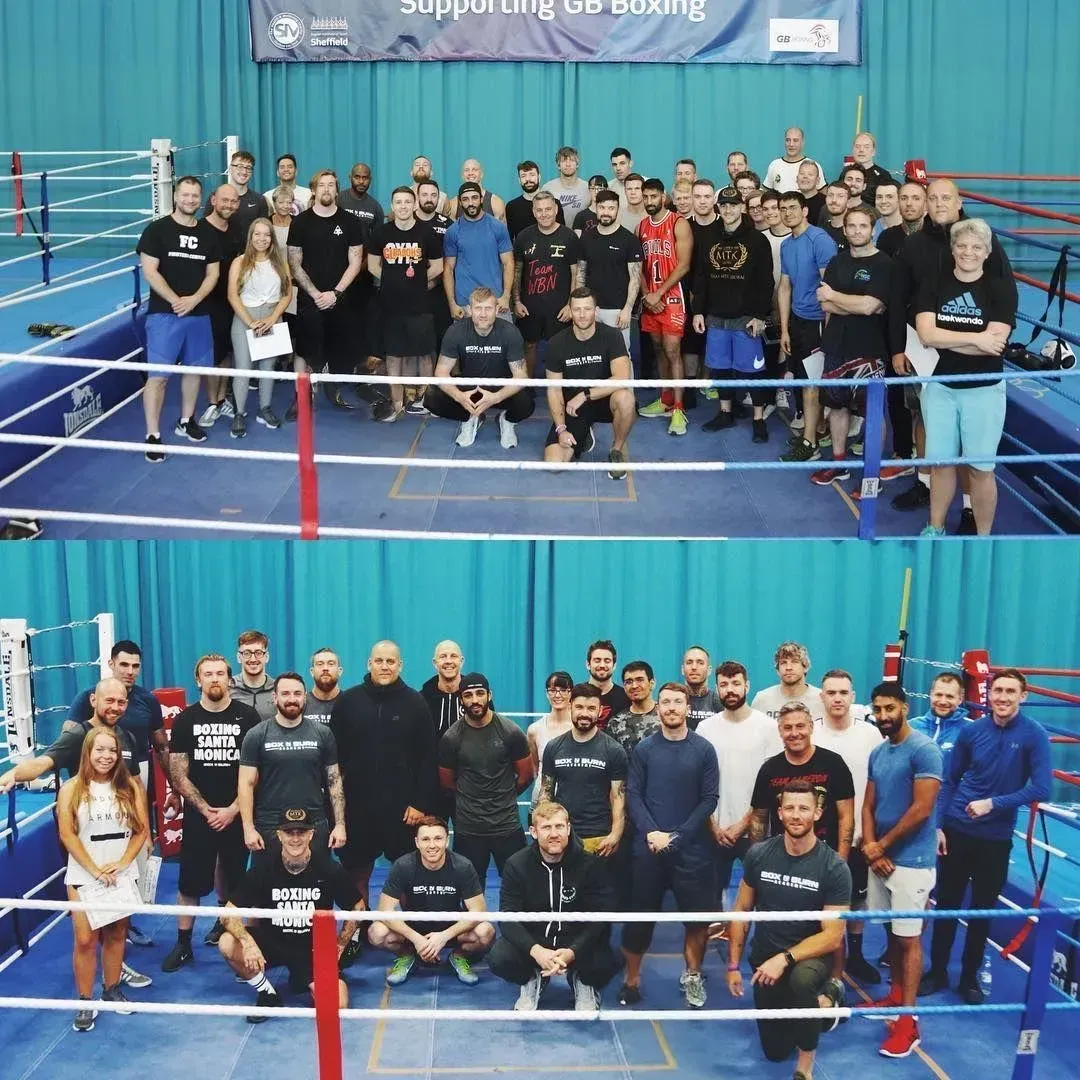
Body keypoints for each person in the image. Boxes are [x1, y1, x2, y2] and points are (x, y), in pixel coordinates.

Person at [921, 668, 1051, 1004]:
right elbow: (950, 780)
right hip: (957, 830)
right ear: (988, 694)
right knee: (946, 905)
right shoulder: (973, 731)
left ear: (1023, 696)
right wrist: (938, 826)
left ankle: (969, 978)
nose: (1003, 697)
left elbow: (1042, 787)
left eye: (1010, 691)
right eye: (997, 690)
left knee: (982, 910)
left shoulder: (1034, 735)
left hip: (995, 838)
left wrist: (995, 803)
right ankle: (936, 972)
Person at [896, 179, 1016, 532]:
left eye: (975, 247)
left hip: (983, 387)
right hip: (942, 386)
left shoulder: (999, 288)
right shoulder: (936, 283)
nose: (967, 252)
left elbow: (997, 342)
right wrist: (977, 338)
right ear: (953, 249)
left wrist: (962, 340)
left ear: (986, 251)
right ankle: (936, 526)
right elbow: (928, 336)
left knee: (981, 467)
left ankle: (982, 536)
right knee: (941, 463)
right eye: (961, 245)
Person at [726, 782, 850, 1078]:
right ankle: (822, 1007)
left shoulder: (833, 867)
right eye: (790, 808)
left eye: (804, 808)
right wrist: (733, 964)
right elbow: (741, 910)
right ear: (780, 813)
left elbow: (833, 936)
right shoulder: (759, 854)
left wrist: (784, 958)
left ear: (817, 813)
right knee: (775, 1051)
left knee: (802, 981)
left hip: (811, 958)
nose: (796, 815)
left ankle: (805, 1068)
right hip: (765, 958)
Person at [619, 682, 718, 1009]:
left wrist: (677, 836)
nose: (672, 707)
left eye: (678, 702)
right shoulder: (644, 749)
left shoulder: (704, 750)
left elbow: (708, 800)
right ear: (658, 708)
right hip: (648, 850)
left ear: (688, 707)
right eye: (666, 702)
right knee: (638, 920)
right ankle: (631, 980)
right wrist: (652, 833)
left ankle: (692, 975)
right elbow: (632, 795)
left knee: (696, 921)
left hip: (691, 851)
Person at [161, 654, 261, 971]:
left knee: (235, 881)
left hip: (237, 813)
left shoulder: (248, 717)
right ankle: (183, 943)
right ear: (198, 680)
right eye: (208, 674)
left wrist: (233, 810)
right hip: (199, 815)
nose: (214, 678)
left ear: (230, 679)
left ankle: (230, 929)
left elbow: (257, 771)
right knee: (189, 883)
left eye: (220, 673)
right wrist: (206, 810)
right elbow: (178, 774)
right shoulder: (186, 720)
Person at [218, 807, 364, 1019]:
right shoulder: (264, 868)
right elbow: (228, 912)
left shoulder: (329, 869)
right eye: (289, 832)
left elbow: (357, 907)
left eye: (301, 832)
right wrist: (248, 942)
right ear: (279, 835)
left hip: (312, 949)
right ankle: (267, 993)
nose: (295, 839)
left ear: (311, 834)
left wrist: (341, 943)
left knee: (337, 1006)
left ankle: (303, 977)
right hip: (272, 942)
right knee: (227, 943)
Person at [861, 682, 943, 1058]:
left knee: (909, 940)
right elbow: (868, 804)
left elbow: (922, 809)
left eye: (889, 708)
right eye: (878, 709)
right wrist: (869, 846)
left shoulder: (924, 749)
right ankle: (895, 996)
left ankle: (909, 1023)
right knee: (893, 935)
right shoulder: (878, 751)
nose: (883, 716)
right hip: (881, 860)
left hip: (912, 862)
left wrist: (882, 845)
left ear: (905, 707)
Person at [329, 640, 437, 903]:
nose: (385, 666)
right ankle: (357, 932)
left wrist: (419, 804)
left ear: (400, 665)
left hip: (402, 812)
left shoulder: (416, 703)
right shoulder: (347, 702)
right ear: (369, 664)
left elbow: (428, 758)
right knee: (356, 876)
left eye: (391, 661)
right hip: (357, 808)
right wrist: (337, 810)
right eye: (379, 661)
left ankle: (412, 935)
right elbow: (333, 760)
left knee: (407, 876)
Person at [58, 725, 149, 1031]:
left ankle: (112, 990)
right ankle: (86, 1000)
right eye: (100, 749)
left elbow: (141, 832)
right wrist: (95, 870)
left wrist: (122, 863)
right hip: (85, 872)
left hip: (120, 873)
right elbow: (67, 835)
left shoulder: (129, 787)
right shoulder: (71, 788)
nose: (107, 756)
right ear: (88, 752)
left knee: (116, 933)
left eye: (112, 750)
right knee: (85, 939)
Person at [491, 800, 622, 1011]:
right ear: (533, 832)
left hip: (575, 942)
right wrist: (537, 951)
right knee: (500, 958)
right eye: (546, 827)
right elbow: (508, 918)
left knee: (609, 960)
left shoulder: (591, 865)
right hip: (536, 940)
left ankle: (583, 981)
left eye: (559, 826)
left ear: (569, 829)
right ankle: (532, 978)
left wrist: (573, 951)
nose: (554, 834)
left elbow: (600, 917)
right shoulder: (516, 865)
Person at [810, 205, 907, 488]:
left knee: (871, 413)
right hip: (836, 345)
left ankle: (871, 475)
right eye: (851, 226)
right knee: (837, 408)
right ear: (845, 229)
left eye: (863, 226)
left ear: (872, 229)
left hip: (870, 349)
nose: (856, 231)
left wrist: (839, 298)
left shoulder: (885, 265)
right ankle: (839, 463)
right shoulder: (838, 261)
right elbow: (824, 302)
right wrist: (852, 303)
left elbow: (870, 306)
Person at [136, 175, 221, 461]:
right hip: (164, 314)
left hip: (197, 313)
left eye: (195, 196)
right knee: (158, 376)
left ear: (201, 198)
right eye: (185, 195)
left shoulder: (208, 233)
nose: (190, 200)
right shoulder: (157, 230)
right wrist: (175, 300)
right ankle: (152, 434)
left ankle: (187, 420)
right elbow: (149, 271)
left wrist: (194, 300)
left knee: (194, 370)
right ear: (175, 196)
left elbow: (213, 274)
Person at [813, 669, 885, 986]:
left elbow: (879, 784)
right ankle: (818, 955)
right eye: (831, 692)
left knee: (857, 898)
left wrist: (871, 832)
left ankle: (854, 955)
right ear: (822, 697)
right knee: (816, 898)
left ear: (853, 697)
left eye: (844, 692)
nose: (838, 698)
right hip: (817, 837)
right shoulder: (811, 733)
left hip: (858, 835)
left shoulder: (870, 736)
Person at [368, 816, 494, 986]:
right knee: (377, 932)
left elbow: (478, 912)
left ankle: (458, 957)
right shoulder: (403, 866)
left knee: (485, 931)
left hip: (452, 928)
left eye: (438, 838)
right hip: (414, 928)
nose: (432, 845)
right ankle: (407, 955)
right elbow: (384, 911)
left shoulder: (462, 866)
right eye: (425, 839)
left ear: (447, 840)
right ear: (416, 842)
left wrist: (444, 936)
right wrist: (416, 939)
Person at [691, 185, 774, 440]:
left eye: (733, 205)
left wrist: (760, 315)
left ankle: (758, 419)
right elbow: (701, 278)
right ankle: (725, 412)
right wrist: (698, 312)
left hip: (746, 317)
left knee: (753, 371)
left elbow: (766, 281)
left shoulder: (758, 240)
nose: (728, 210)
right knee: (720, 369)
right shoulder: (708, 238)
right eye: (723, 206)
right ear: (719, 208)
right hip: (716, 316)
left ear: (741, 208)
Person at [695, 660, 780, 905]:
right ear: (717, 688)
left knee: (760, 895)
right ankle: (716, 940)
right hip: (714, 830)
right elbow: (700, 783)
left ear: (747, 685)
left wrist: (744, 824)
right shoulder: (705, 728)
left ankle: (754, 943)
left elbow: (770, 785)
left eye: (736, 683)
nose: (730, 689)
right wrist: (713, 826)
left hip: (755, 830)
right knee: (711, 897)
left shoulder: (767, 727)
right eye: (724, 684)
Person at [438, 672, 533, 882]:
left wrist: (503, 796)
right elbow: (447, 782)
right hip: (468, 829)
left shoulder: (510, 732)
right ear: (461, 699)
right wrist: (471, 799)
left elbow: (526, 775)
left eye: (480, 693)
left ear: (489, 695)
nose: (475, 700)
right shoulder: (451, 738)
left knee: (519, 883)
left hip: (507, 825)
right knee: (469, 888)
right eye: (468, 695)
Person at [238, 672, 344, 857]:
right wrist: (248, 828)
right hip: (269, 825)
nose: (292, 699)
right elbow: (245, 784)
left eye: (297, 694)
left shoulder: (323, 734)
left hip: (314, 823)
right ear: (275, 697)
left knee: (316, 884)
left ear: (305, 697)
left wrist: (340, 825)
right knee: (267, 884)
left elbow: (334, 782)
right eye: (285, 693)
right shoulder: (256, 735)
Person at [286, 169, 365, 411]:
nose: (327, 189)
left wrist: (335, 293)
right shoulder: (300, 222)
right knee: (304, 350)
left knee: (335, 347)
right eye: (322, 185)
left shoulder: (350, 222)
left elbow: (356, 261)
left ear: (336, 190)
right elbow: (294, 262)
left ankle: (332, 391)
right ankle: (301, 398)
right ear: (313, 189)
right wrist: (315, 294)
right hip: (310, 299)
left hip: (340, 299)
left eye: (331, 185)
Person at [542, 288, 636, 479]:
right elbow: (554, 390)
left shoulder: (612, 336)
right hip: (573, 407)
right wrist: (561, 429)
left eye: (587, 309)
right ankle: (583, 433)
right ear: (570, 311)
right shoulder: (556, 344)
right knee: (554, 464)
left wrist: (585, 394)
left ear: (596, 311)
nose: (582, 315)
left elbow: (622, 378)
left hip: (604, 399)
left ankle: (616, 451)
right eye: (577, 309)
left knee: (626, 398)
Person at [425, 286, 534, 449]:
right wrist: (459, 397)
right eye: (478, 308)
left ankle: (507, 420)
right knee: (432, 397)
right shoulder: (455, 331)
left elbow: (521, 376)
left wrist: (495, 397)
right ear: (469, 310)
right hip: (470, 388)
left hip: (500, 388)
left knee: (527, 402)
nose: (483, 314)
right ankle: (469, 417)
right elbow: (441, 372)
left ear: (497, 310)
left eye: (488, 308)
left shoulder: (510, 332)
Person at [368, 186, 443, 419]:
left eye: (407, 202)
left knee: (424, 353)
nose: (402, 206)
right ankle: (397, 401)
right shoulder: (381, 233)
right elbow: (372, 265)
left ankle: (428, 400)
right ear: (392, 206)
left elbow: (438, 266)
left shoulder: (427, 233)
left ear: (414, 205)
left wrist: (418, 281)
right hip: (390, 305)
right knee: (394, 354)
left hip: (419, 304)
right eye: (398, 202)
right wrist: (394, 280)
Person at [776, 191, 838, 464]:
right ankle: (812, 433)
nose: (787, 213)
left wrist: (830, 332)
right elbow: (785, 287)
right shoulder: (787, 245)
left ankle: (810, 443)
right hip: (799, 323)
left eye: (792, 208)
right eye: (783, 209)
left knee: (813, 385)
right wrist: (785, 329)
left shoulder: (820, 241)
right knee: (805, 383)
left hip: (818, 323)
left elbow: (829, 290)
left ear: (805, 211)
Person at [750, 701, 855, 861]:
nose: (794, 733)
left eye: (800, 726)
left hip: (826, 858)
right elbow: (759, 820)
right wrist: (755, 861)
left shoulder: (834, 764)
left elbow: (846, 817)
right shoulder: (769, 770)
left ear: (811, 727)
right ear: (780, 731)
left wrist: (841, 862)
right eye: (787, 727)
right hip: (781, 858)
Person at [1, 677, 142, 791]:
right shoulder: (79, 734)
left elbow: (135, 783)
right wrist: (13, 775)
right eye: (109, 701)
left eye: (121, 702)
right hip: (88, 820)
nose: (115, 707)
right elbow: (43, 762)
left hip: (122, 821)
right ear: (93, 700)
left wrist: (144, 825)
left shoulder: (128, 737)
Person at [539, 682, 627, 854]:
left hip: (600, 837)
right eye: (579, 707)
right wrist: (547, 828)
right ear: (570, 706)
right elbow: (546, 793)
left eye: (591, 708)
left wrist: (615, 834)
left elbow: (618, 798)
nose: (584, 714)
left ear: (600, 711)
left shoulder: (614, 750)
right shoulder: (554, 747)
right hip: (564, 834)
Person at [66, 640, 167, 789]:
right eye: (124, 665)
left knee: (138, 810)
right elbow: (67, 743)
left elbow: (162, 747)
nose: (130, 671)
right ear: (111, 664)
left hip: (138, 773)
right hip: (95, 775)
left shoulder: (148, 700)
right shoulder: (88, 698)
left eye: (135, 666)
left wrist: (174, 789)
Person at [636, 178, 693, 435]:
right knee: (658, 348)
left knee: (673, 349)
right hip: (651, 300)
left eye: (653, 197)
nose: (649, 201)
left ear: (663, 197)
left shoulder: (678, 223)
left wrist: (659, 293)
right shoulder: (641, 227)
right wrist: (648, 294)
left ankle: (679, 409)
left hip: (672, 299)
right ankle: (665, 398)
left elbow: (684, 265)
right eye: (645, 197)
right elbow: (637, 266)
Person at [227, 217, 291, 435]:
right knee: (243, 368)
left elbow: (287, 293)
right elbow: (232, 296)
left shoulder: (280, 261)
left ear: (272, 238)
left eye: (266, 234)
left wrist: (272, 319)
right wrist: (251, 322)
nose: (262, 239)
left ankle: (265, 408)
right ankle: (239, 413)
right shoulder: (239, 262)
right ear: (251, 236)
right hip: (246, 318)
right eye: (258, 234)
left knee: (267, 368)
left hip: (271, 317)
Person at [513, 191, 582, 372]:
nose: (544, 214)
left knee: (561, 349)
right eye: (539, 210)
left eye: (548, 209)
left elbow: (576, 273)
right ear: (534, 212)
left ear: (556, 209)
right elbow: (517, 272)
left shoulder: (569, 237)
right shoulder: (523, 237)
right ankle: (526, 390)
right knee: (528, 346)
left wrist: (571, 305)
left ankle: (562, 391)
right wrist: (517, 302)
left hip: (560, 309)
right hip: (529, 307)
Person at [199, 184, 244, 428]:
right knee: (212, 354)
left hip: (232, 301)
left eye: (233, 201)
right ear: (213, 200)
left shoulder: (236, 230)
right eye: (224, 200)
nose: (228, 205)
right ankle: (212, 403)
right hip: (206, 304)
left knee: (227, 352)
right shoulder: (199, 229)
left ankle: (221, 398)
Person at [577, 189, 642, 353]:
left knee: (621, 355)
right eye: (602, 207)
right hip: (591, 309)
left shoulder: (629, 240)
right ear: (596, 209)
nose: (606, 212)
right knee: (592, 355)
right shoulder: (586, 237)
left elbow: (635, 279)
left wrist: (627, 309)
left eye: (611, 208)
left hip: (618, 311)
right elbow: (581, 274)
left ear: (617, 210)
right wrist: (579, 306)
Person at [443, 182, 514, 321]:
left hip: (495, 303)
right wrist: (452, 304)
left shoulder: (498, 227)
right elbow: (448, 269)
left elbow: (508, 263)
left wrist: (506, 296)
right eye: (465, 199)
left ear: (481, 199)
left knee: (504, 342)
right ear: (460, 202)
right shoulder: (452, 231)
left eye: (474, 197)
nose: (471, 203)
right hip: (465, 305)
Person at [527, 671, 574, 804]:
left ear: (571, 692)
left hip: (572, 799)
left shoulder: (579, 728)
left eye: (563, 690)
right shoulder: (534, 730)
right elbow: (535, 767)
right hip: (541, 800)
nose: (557, 695)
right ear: (547, 693)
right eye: (552, 690)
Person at [751, 641, 826, 722]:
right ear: (777, 670)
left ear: (805, 667)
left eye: (795, 662)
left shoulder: (822, 699)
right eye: (783, 663)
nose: (789, 667)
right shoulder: (762, 699)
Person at [606, 660, 659, 754]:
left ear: (652, 683)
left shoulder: (666, 716)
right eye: (629, 682)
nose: (634, 686)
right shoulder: (616, 723)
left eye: (640, 680)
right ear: (624, 687)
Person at [205, 149, 264, 234]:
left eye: (248, 168)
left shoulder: (259, 200)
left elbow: (264, 231)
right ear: (230, 168)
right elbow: (206, 228)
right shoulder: (216, 196)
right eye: (240, 166)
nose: (244, 171)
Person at [505, 160, 565, 241]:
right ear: (519, 180)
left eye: (532, 175)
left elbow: (562, 233)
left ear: (539, 177)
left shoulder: (554, 203)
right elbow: (509, 238)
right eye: (523, 176)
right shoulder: (511, 207)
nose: (528, 179)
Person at [420, 639, 464, 741]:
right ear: (435, 663)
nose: (448, 661)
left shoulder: (476, 698)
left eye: (453, 656)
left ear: (461, 661)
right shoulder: (420, 701)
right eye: (443, 656)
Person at [764, 128, 827, 193]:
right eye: (788, 140)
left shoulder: (813, 165)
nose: (791, 144)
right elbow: (766, 193)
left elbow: (823, 193)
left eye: (795, 140)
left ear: (802, 142)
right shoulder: (774, 165)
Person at [230, 629, 276, 720]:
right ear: (239, 657)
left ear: (266, 657)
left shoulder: (278, 689)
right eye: (247, 653)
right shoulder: (227, 689)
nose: (253, 659)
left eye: (258, 653)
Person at [586, 639, 630, 725]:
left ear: (614, 665)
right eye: (597, 660)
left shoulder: (627, 697)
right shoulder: (574, 695)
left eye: (607, 661)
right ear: (588, 664)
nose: (602, 665)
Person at [542, 146, 591, 222]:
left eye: (571, 160)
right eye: (564, 161)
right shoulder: (547, 189)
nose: (568, 164)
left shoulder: (588, 188)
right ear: (558, 165)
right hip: (555, 233)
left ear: (577, 164)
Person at [681, 646, 721, 729]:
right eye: (689, 662)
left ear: (709, 670)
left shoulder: (719, 703)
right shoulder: (673, 702)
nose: (694, 667)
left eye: (700, 663)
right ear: (682, 669)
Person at [303, 647, 343, 724]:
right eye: (320, 664)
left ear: (339, 671)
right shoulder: (301, 704)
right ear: (312, 671)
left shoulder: (350, 702)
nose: (325, 668)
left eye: (331, 664)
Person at [848, 132, 894, 199]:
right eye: (857, 146)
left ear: (873, 152)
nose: (861, 150)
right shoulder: (846, 173)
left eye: (866, 147)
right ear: (852, 150)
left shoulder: (883, 175)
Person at [796, 160, 826, 226]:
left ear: (817, 181)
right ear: (797, 179)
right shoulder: (791, 202)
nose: (805, 177)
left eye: (810, 174)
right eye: (802, 173)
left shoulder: (826, 203)